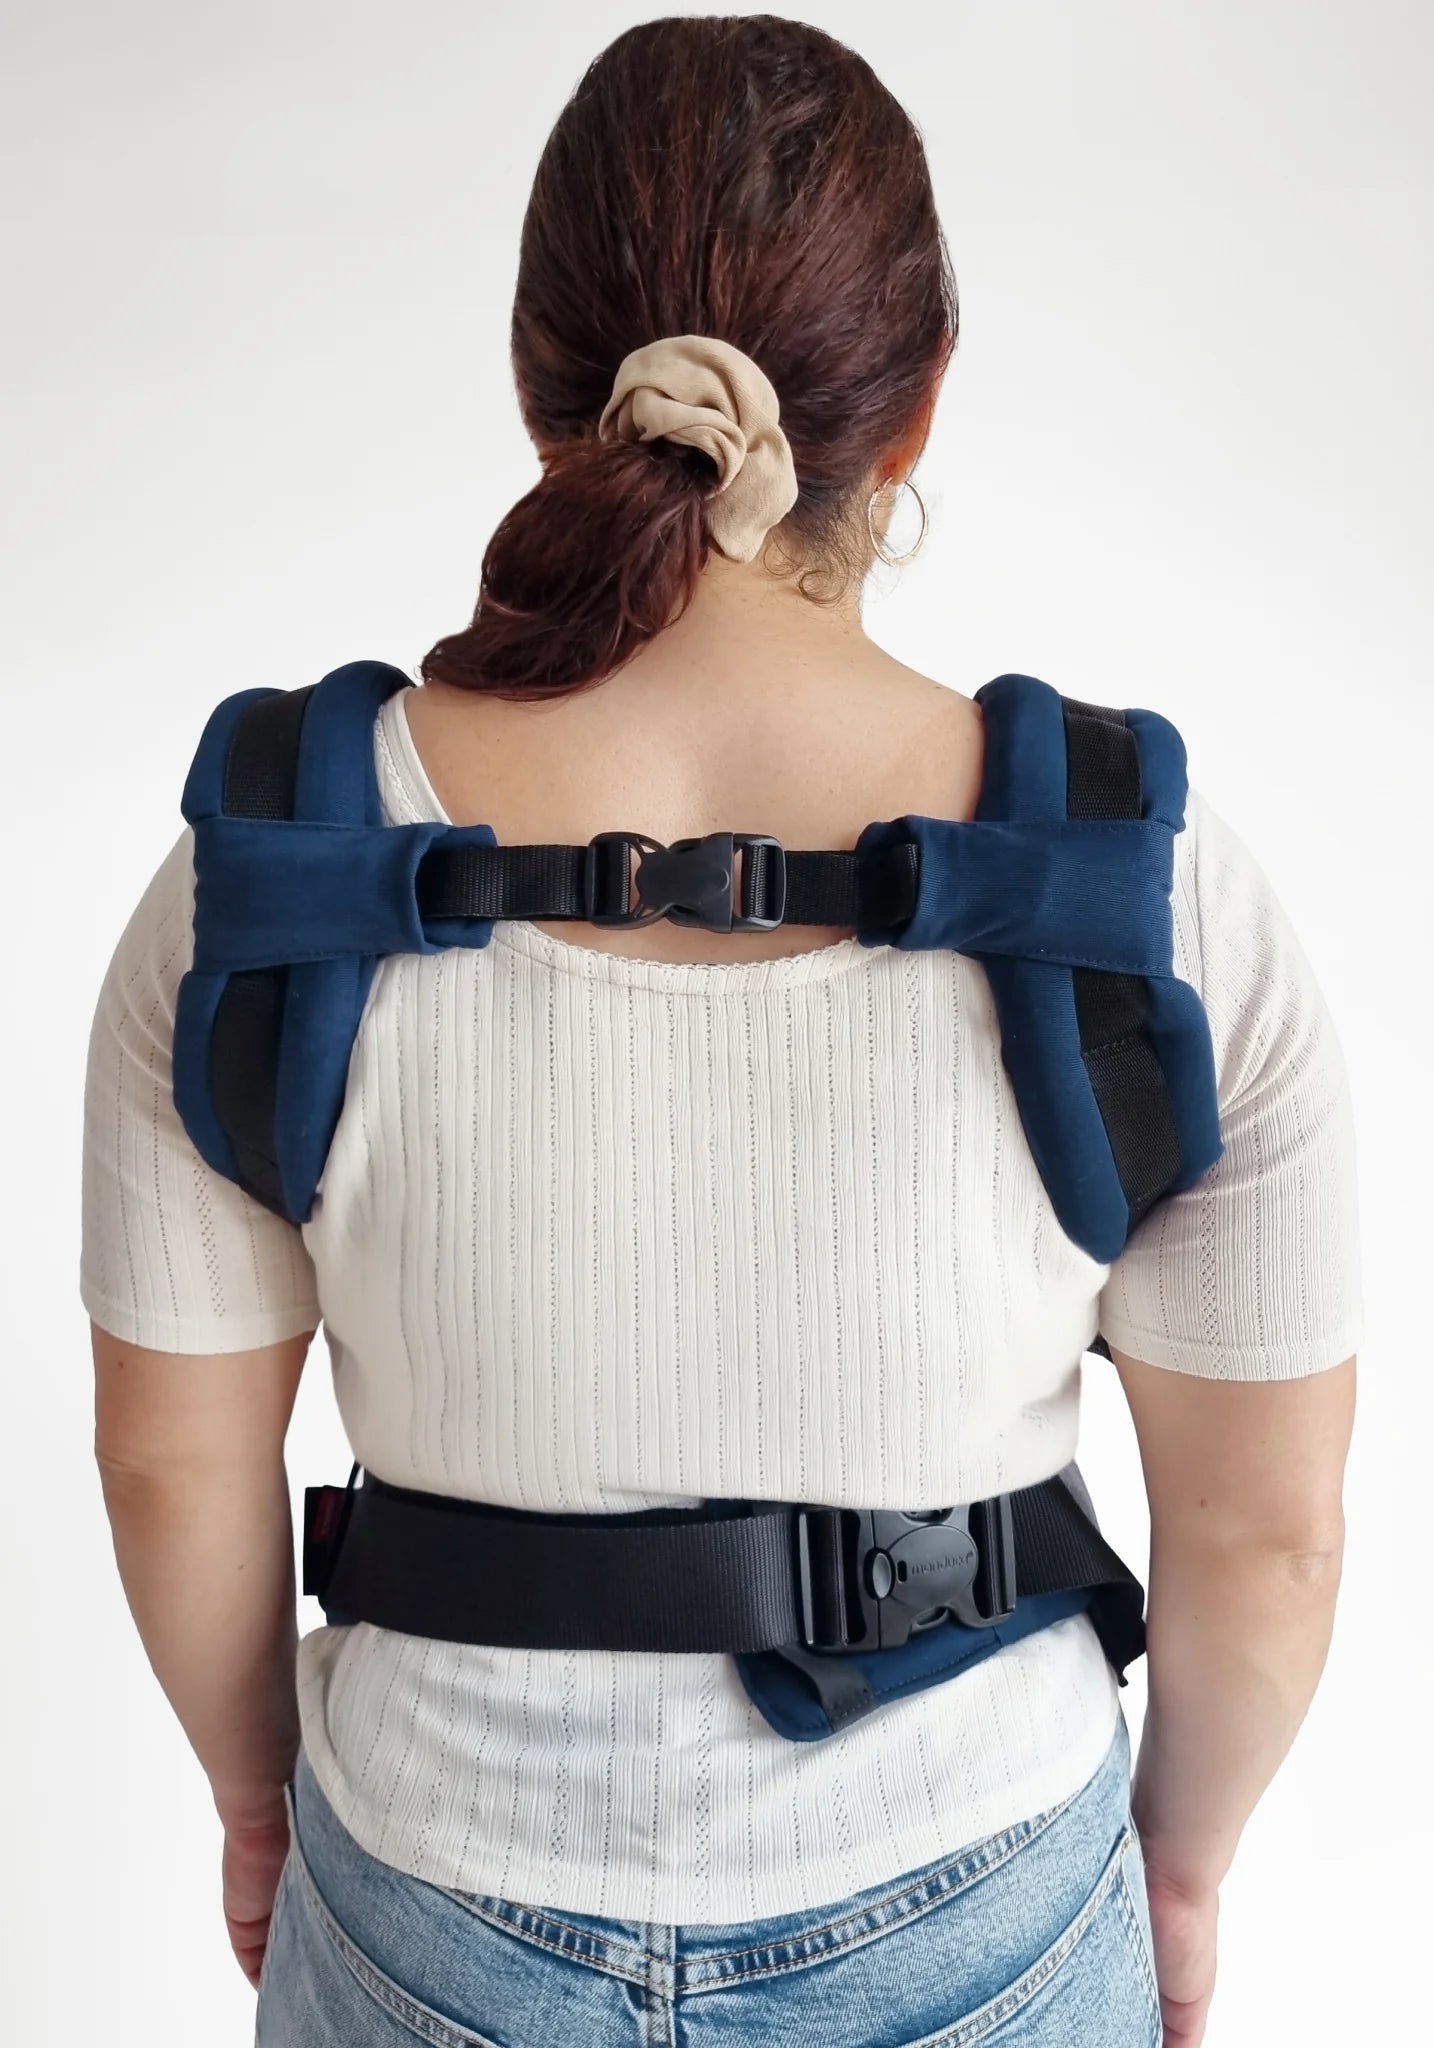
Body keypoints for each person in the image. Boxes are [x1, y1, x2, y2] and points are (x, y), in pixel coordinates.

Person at [80, 17, 1361, 2048]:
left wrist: (259, 1799)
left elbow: (171, 1460)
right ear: (917, 400)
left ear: (540, 384)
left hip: (429, 1899)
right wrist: (1179, 1868)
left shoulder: (268, 863)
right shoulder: (1154, 886)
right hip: (978, 1910)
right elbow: (1265, 1531)